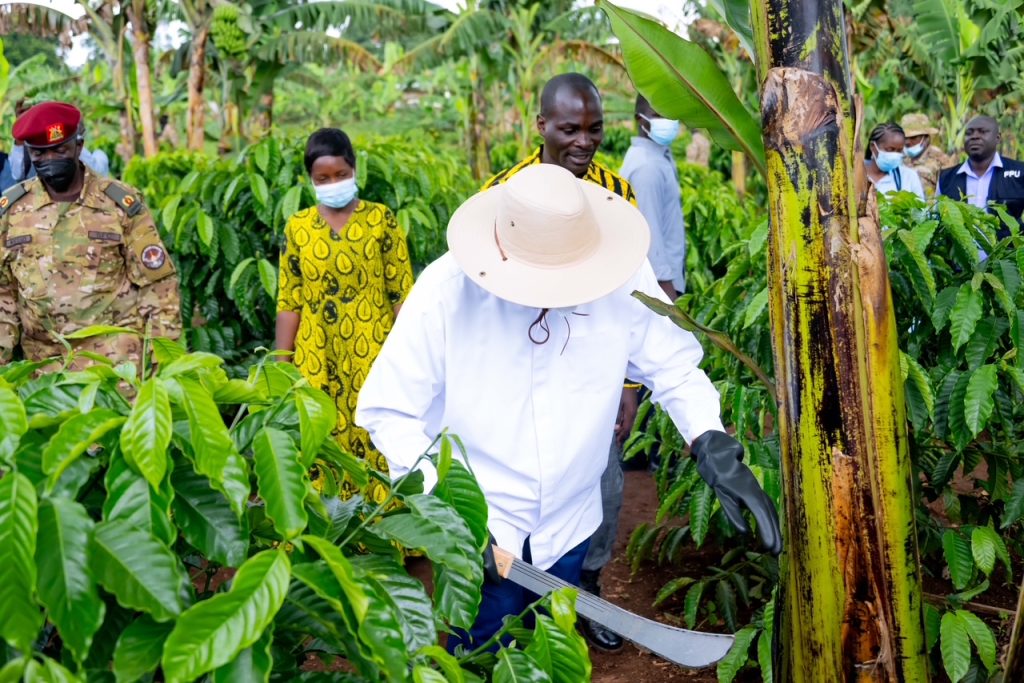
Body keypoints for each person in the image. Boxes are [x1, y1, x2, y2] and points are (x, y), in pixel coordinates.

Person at [355, 164, 782, 652]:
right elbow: (389, 410)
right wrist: (451, 516)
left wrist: (710, 441)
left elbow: (674, 366)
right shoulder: (447, 290)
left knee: (548, 651)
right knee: (480, 651)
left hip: (572, 516)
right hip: (484, 519)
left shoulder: (622, 277)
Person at [483, 72, 635, 652]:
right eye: (570, 128)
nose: (584, 141)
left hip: (592, 375)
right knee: (517, 493)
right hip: (520, 376)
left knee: (603, 487)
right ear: (541, 125)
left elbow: (626, 291)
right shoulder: (502, 191)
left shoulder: (616, 194)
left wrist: (627, 383)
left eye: (595, 129)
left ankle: (585, 596)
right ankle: (507, 614)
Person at [275, 127, 414, 503]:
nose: (332, 183)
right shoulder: (299, 228)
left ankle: (386, 532)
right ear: (310, 180)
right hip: (318, 355)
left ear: (354, 169)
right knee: (322, 438)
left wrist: (415, 355)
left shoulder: (380, 220)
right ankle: (330, 532)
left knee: (377, 434)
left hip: (374, 350)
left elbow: (400, 290)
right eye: (323, 179)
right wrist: (281, 365)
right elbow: (289, 300)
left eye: (340, 175)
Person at [0, 102, 181, 365]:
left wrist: (161, 363)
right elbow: (4, 292)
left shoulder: (120, 203)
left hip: (116, 369)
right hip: (44, 373)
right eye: (40, 154)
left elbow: (158, 286)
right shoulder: (13, 210)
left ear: (78, 147)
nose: (50, 161)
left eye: (59, 150)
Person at [620, 94, 686, 299]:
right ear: (640, 119)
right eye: (657, 115)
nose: (666, 122)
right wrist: (669, 300)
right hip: (660, 289)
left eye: (669, 116)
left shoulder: (654, 157)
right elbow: (651, 240)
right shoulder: (648, 168)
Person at [938, 115, 1024, 235]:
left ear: (997, 138)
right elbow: (938, 219)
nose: (975, 136)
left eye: (983, 132)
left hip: (1007, 252)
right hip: (958, 253)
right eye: (969, 133)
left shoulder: (1019, 172)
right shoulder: (946, 178)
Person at [864, 123, 926, 201]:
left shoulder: (909, 177)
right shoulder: (855, 173)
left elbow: (920, 210)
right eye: (890, 149)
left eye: (899, 151)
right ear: (873, 146)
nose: (895, 155)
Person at [900, 112, 954, 197]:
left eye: (913, 138)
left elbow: (951, 190)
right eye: (905, 138)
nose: (907, 142)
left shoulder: (940, 160)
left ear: (926, 138)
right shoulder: (897, 158)